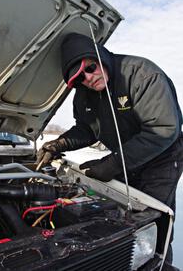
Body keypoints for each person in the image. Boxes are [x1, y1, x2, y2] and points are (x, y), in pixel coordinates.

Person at [37, 32, 183, 270]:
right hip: (125, 155)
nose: (88, 78)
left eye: (90, 68)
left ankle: (158, 263)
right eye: (79, 78)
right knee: (118, 211)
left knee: (153, 218)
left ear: (99, 56)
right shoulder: (85, 91)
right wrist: (59, 144)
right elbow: (86, 128)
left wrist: (113, 164)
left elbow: (164, 129)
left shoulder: (142, 75)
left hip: (162, 157)